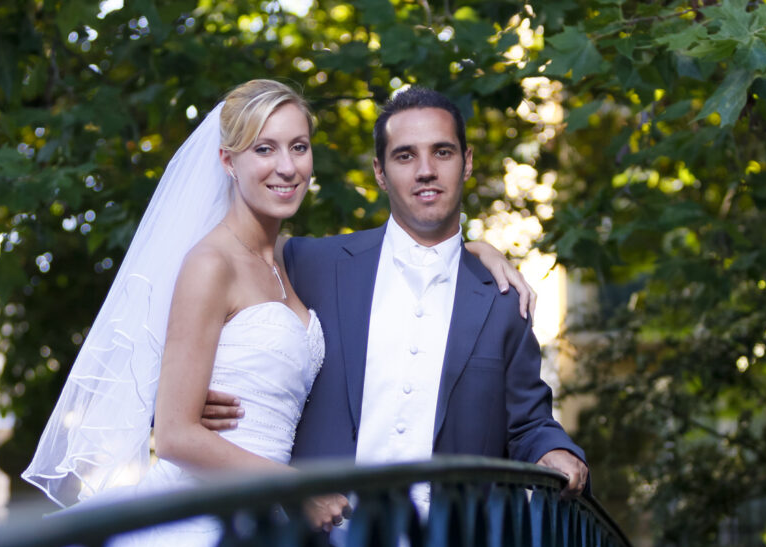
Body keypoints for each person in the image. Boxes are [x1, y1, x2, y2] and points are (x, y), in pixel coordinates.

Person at [0, 80, 529, 547]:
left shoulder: (294, 261)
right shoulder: (208, 264)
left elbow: (416, 252)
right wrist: (295, 489)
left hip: (276, 538)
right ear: (227, 161)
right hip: (202, 529)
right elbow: (174, 434)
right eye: (264, 149)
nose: (286, 167)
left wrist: (480, 251)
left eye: (299, 147)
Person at [205, 86, 588, 495]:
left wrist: (555, 452)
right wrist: (180, 403)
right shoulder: (310, 264)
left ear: (467, 161)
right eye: (405, 156)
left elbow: (528, 421)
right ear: (379, 172)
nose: (426, 170)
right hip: (321, 546)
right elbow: (205, 280)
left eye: (442, 152)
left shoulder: (502, 298)